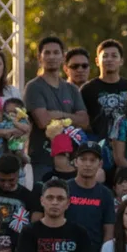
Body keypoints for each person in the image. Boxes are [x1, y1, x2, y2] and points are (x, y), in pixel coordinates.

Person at [24, 36, 89, 181]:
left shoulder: (71, 89)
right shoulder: (34, 87)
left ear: (63, 57)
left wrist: (57, 114)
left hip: (70, 161)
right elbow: (43, 121)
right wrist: (71, 117)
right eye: (47, 53)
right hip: (42, 160)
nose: (51, 57)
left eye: (56, 52)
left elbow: (84, 121)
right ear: (39, 58)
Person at [66, 141, 116, 252]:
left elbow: (108, 229)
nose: (87, 164)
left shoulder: (106, 194)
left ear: (100, 164)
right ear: (75, 162)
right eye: (83, 159)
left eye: (93, 160)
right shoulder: (64, 189)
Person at [80, 39, 127, 146]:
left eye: (114, 56)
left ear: (121, 61)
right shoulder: (87, 90)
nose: (109, 59)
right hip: (98, 146)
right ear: (97, 61)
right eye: (105, 56)